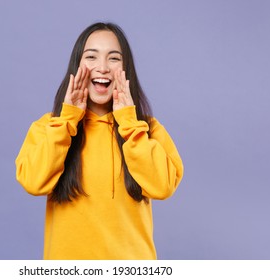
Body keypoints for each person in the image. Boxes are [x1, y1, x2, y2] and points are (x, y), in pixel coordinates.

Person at [15, 22, 184, 260]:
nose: (103, 67)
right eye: (91, 56)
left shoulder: (146, 129)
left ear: (126, 70)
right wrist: (68, 120)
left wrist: (128, 123)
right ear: (77, 65)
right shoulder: (50, 127)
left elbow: (163, 186)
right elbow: (33, 182)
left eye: (114, 58)